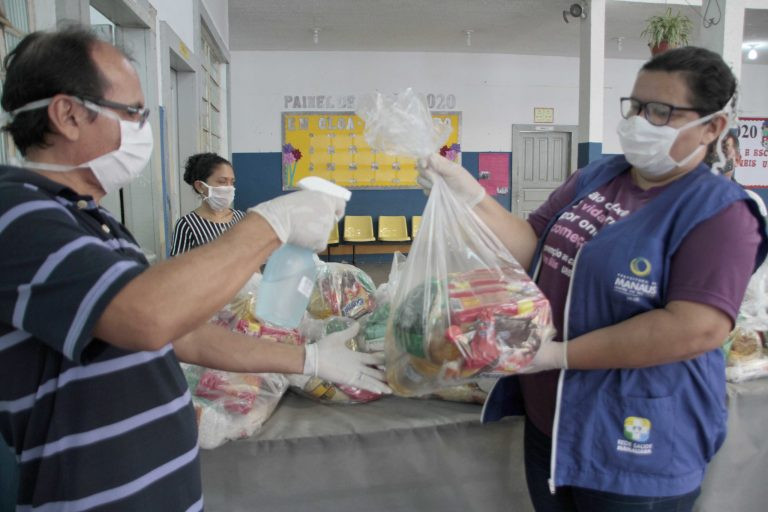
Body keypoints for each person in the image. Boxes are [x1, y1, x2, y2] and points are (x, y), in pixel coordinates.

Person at [0, 26, 389, 510]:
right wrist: (270, 222)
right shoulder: (15, 215)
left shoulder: (93, 222)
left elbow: (183, 333)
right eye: (135, 113)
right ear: (69, 114)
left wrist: (306, 360)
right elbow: (147, 316)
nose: (145, 129)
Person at [417, 46, 767, 511]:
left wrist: (559, 354)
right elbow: (530, 247)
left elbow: (696, 327)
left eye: (661, 111)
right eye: (637, 106)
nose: (641, 121)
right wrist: (469, 194)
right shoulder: (598, 176)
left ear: (712, 126)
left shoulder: (719, 211)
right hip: (555, 420)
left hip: (638, 437)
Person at [170, 152, 245, 256]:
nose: (229, 187)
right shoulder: (187, 225)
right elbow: (178, 268)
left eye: (232, 182)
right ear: (200, 186)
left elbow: (253, 260)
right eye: (222, 181)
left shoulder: (241, 218)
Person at [707, 128, 768, 216]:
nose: (716, 157)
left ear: (737, 160)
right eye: (710, 152)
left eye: (723, 151)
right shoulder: (690, 195)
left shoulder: (750, 200)